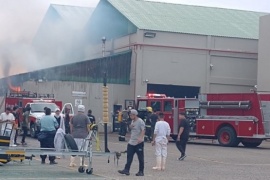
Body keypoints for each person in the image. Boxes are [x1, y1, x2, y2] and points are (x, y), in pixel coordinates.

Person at [118, 109, 145, 176]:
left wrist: (141, 138)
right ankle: (126, 170)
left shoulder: (140, 121)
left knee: (140, 158)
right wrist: (130, 126)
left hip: (138, 143)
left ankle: (141, 171)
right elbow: (131, 129)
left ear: (134, 115)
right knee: (129, 156)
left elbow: (143, 130)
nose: (130, 116)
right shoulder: (132, 121)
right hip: (131, 142)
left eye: (131, 115)